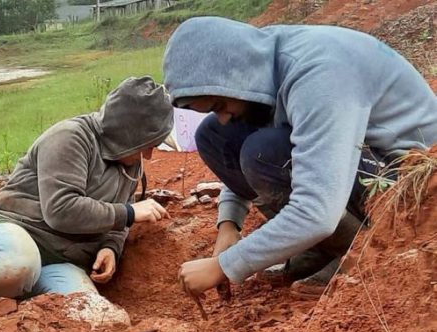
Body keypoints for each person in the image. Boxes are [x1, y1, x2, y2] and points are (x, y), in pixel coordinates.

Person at [163, 17, 437, 296]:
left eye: (219, 105)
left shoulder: (318, 75)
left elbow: (317, 211)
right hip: (367, 155)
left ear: (235, 75)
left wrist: (223, 266)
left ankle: (364, 252)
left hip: (412, 184)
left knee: (265, 153)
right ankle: (324, 247)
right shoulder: (260, 60)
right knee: (214, 136)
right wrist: (229, 226)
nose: (221, 116)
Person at [0, 76, 173, 311]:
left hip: (62, 259)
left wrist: (110, 247)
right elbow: (61, 210)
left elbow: (120, 217)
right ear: (128, 133)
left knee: (98, 317)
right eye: (147, 145)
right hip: (17, 231)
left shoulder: (130, 163)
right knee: (13, 267)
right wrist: (128, 213)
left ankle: (17, 302)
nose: (148, 156)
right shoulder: (70, 138)